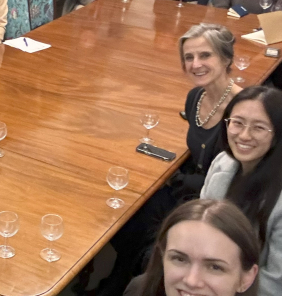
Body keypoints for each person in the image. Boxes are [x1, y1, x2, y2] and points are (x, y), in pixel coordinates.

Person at [98, 24, 242, 295]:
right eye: (189, 57)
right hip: (186, 188)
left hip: (216, 203)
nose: (195, 64)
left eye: (205, 55)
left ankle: (143, 283)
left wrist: (181, 180)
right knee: (127, 212)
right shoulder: (195, 97)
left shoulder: (241, 109)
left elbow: (238, 180)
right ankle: (120, 276)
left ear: (226, 58)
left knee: (155, 240)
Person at [200, 86, 282, 296]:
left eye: (259, 128)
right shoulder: (222, 163)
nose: (244, 135)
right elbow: (200, 230)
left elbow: (278, 282)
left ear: (278, 135)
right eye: (237, 123)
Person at [126, 199, 260, 296]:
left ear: (245, 279)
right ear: (162, 256)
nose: (191, 281)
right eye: (179, 259)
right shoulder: (138, 290)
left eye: (215, 267)